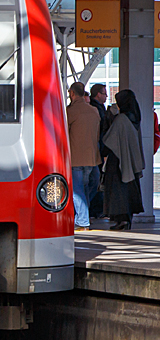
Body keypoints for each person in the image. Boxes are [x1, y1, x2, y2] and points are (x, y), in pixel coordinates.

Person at [103, 89, 146, 231]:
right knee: (129, 191)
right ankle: (127, 219)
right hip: (130, 161)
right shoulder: (135, 118)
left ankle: (121, 220)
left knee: (118, 192)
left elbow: (109, 140)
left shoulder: (121, 119)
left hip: (118, 161)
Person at [66, 82, 101, 231]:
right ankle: (83, 216)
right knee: (86, 188)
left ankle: (82, 221)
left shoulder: (70, 112)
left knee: (77, 191)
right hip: (91, 157)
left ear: (72, 94)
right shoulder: (94, 111)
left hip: (75, 158)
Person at [88, 83, 109, 218]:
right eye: (105, 93)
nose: (106, 96)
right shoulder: (96, 109)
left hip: (96, 150)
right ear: (98, 94)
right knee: (95, 180)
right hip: (97, 151)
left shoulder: (97, 108)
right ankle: (93, 208)